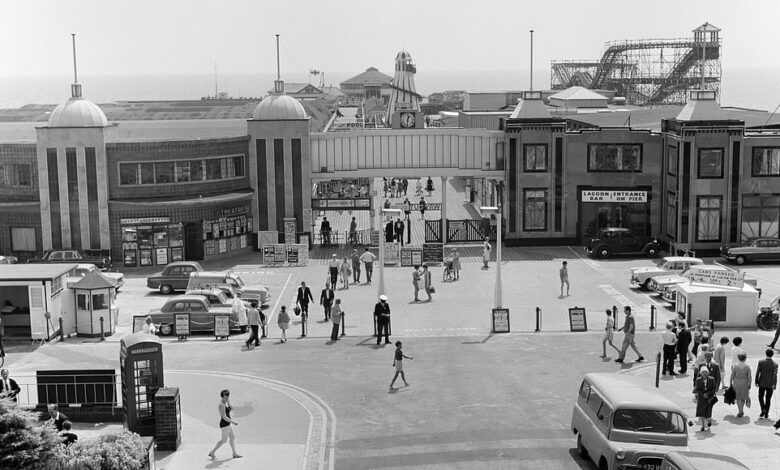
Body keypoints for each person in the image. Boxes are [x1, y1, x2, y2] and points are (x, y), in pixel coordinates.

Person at [208, 389, 241, 460]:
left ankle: (234, 453)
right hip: (224, 424)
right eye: (225, 397)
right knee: (224, 440)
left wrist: (229, 403)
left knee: (232, 437)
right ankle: (212, 452)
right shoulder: (221, 405)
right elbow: (224, 417)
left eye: (227, 397)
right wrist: (233, 422)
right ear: (222, 397)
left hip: (227, 424)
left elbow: (233, 409)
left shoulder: (225, 403)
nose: (227, 398)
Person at [756, 349, 778, 419]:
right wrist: (774, 384)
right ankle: (766, 413)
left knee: (760, 397)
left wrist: (756, 381)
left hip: (762, 382)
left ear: (766, 354)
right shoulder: (775, 364)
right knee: (768, 399)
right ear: (772, 355)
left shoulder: (761, 362)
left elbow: (758, 372)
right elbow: (775, 375)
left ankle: (763, 409)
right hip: (770, 384)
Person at [694, 366, 717, 431]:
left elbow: (714, 389)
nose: (704, 374)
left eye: (706, 372)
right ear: (701, 373)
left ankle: (709, 420)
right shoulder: (698, 380)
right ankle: (703, 426)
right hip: (701, 398)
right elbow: (697, 389)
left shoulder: (711, 379)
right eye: (703, 372)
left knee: (708, 411)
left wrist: (708, 394)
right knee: (702, 412)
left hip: (709, 398)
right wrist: (703, 394)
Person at [731, 353, 752, 418]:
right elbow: (749, 377)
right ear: (745, 359)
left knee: (738, 398)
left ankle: (740, 411)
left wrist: (730, 383)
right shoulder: (747, 367)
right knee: (743, 398)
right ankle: (741, 410)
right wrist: (750, 384)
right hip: (744, 383)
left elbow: (732, 376)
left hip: (736, 383)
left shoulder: (735, 366)